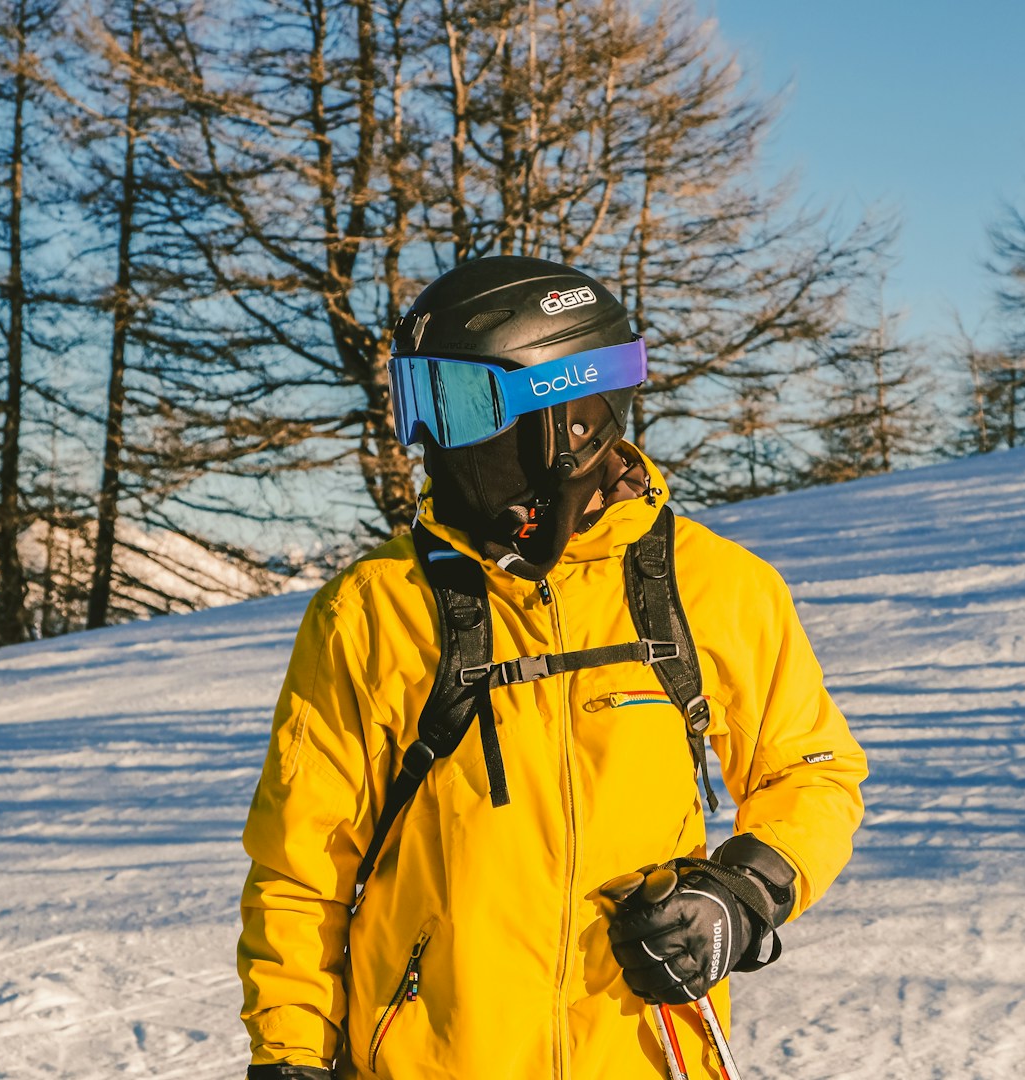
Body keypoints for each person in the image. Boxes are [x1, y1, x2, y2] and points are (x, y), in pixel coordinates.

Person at [236, 255, 867, 1080]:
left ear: (568, 415)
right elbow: (300, 869)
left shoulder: (717, 589)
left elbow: (813, 773)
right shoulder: (371, 610)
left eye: (459, 405)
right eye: (418, 404)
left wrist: (738, 897)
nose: (429, 441)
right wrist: (290, 1060)